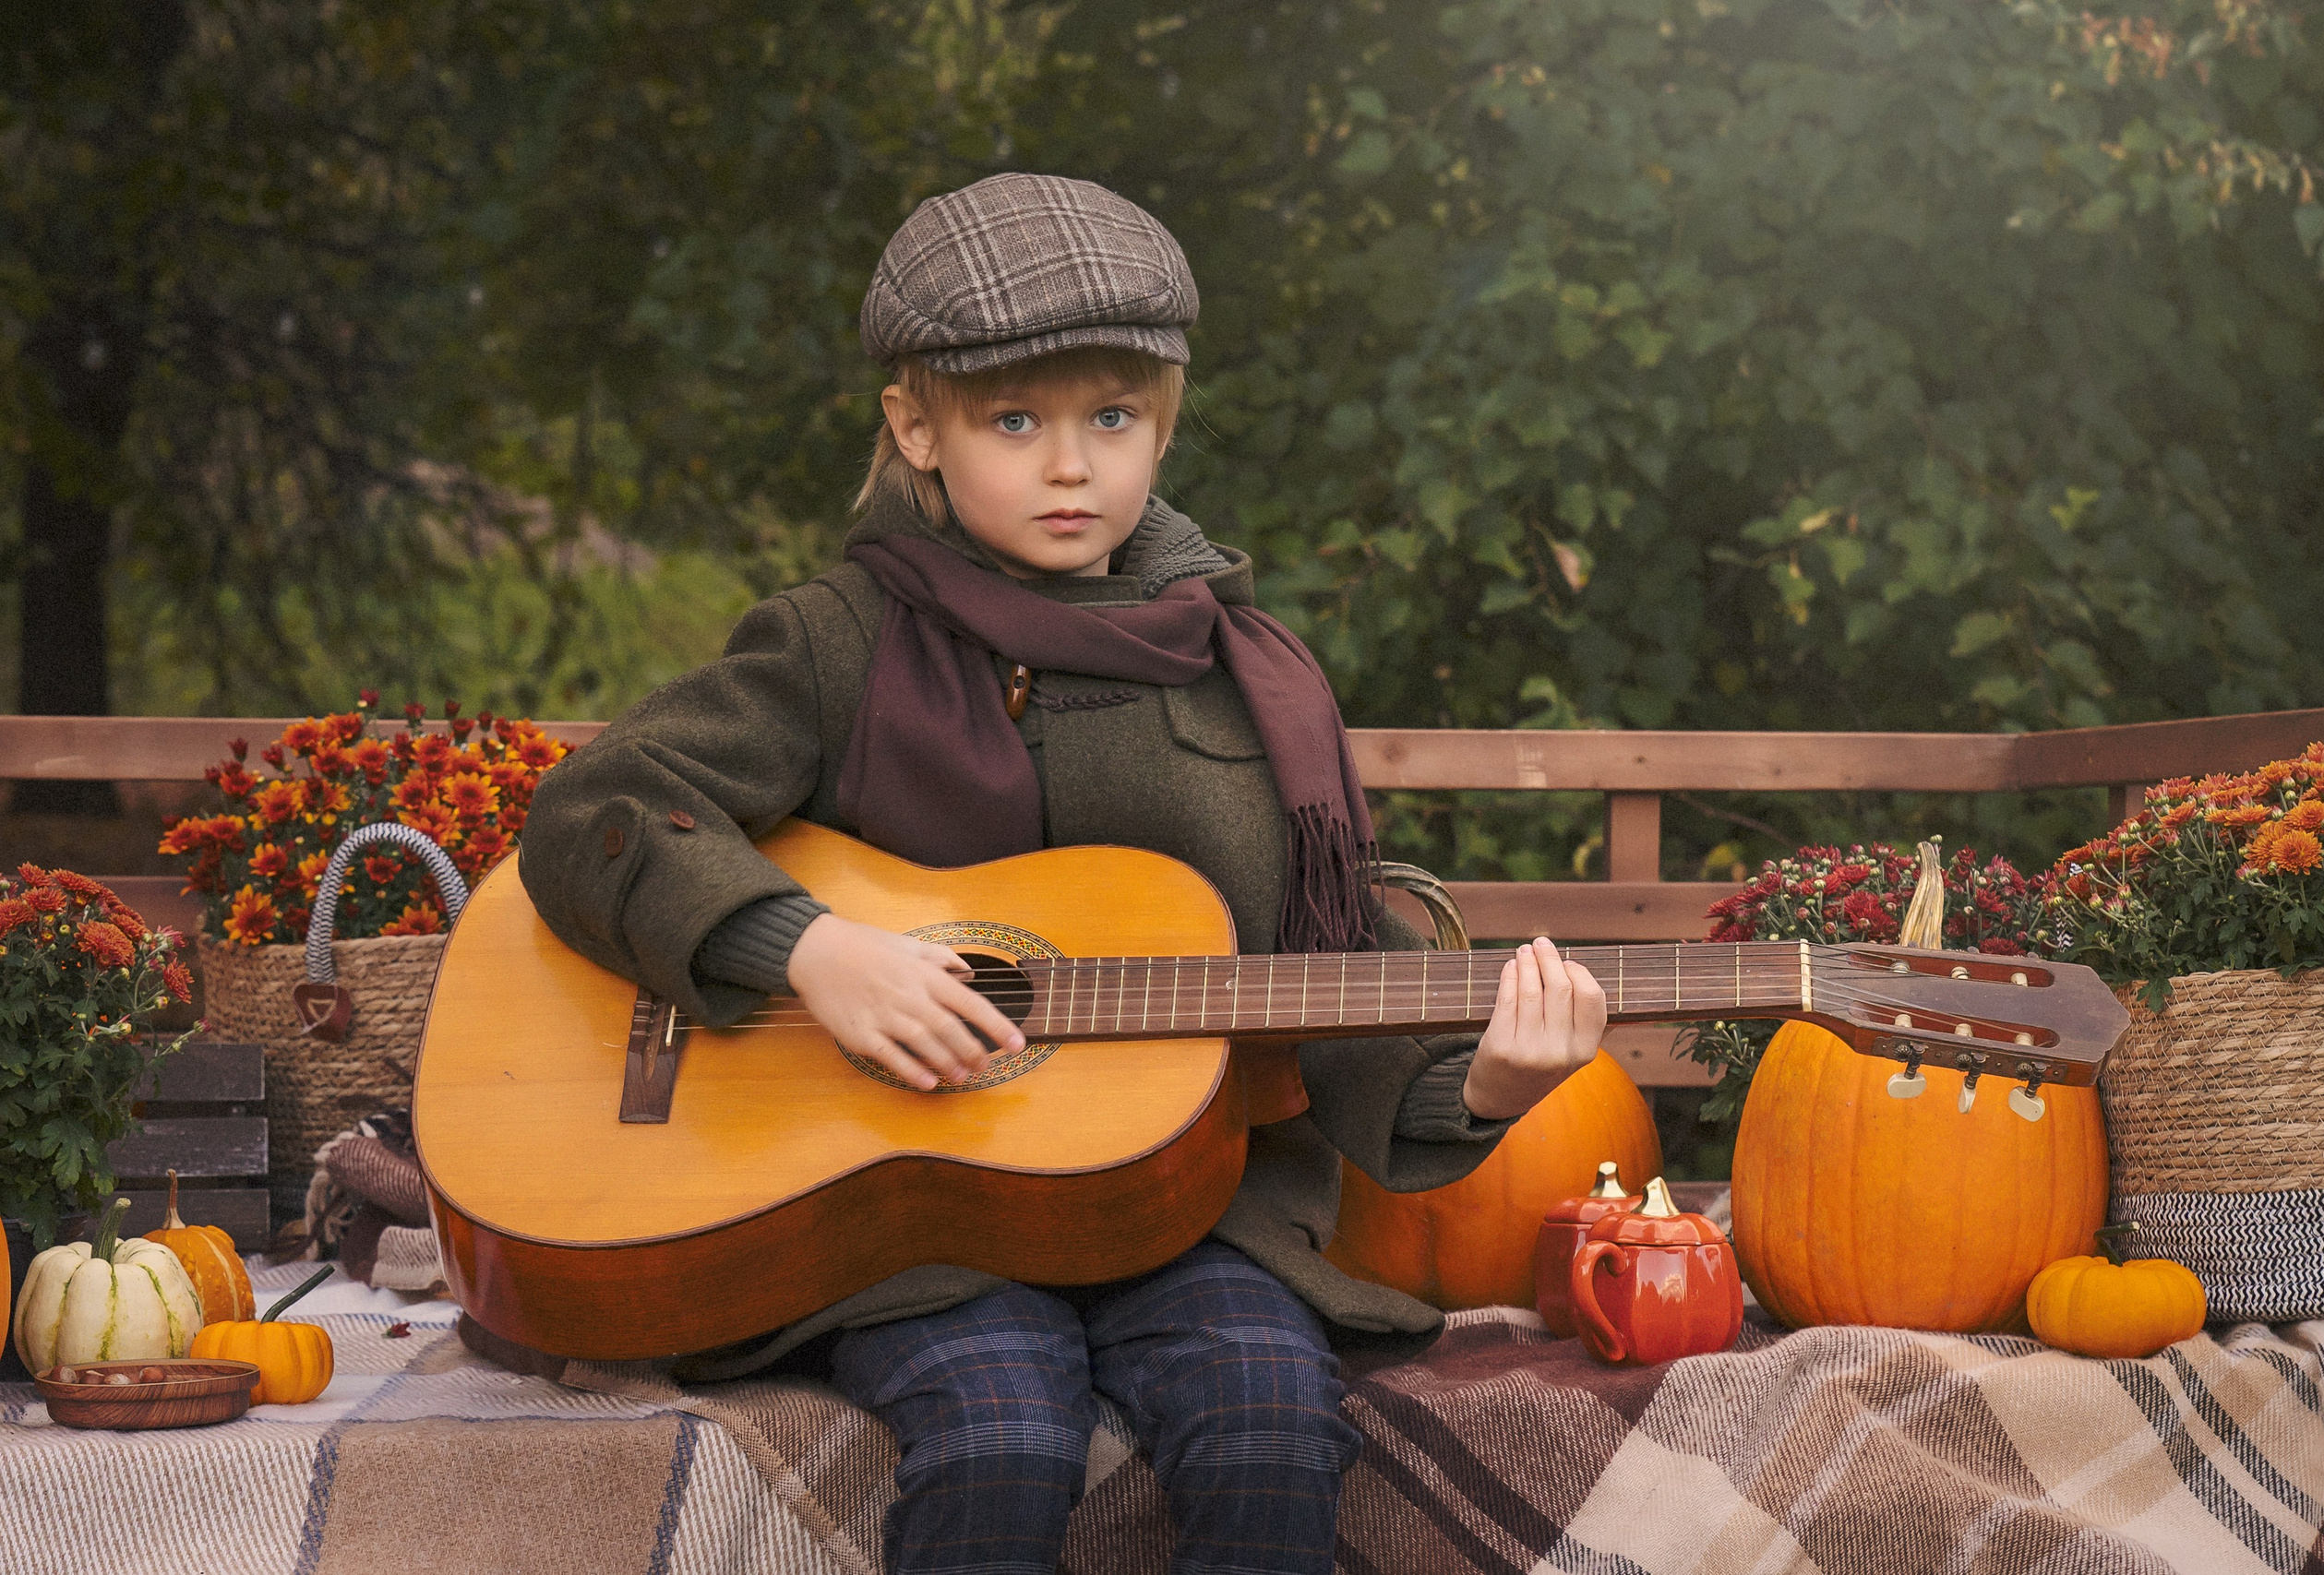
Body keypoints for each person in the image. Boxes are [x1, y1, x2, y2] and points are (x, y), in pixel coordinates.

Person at [519, 172, 1607, 1574]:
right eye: (1013, 421)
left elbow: (1322, 964)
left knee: (1273, 1421)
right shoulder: (834, 642)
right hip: (910, 1215)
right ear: (916, 424)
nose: (1071, 467)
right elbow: (600, 810)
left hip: (1195, 1207)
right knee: (1001, 1430)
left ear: (1165, 421)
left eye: (1112, 419)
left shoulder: (1239, 679)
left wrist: (1491, 1083)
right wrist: (805, 949)